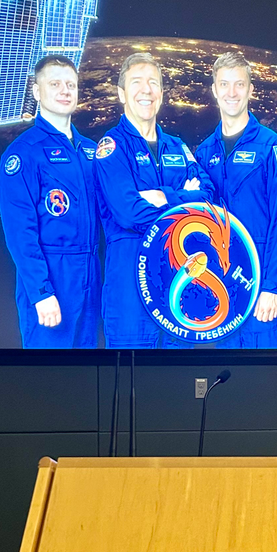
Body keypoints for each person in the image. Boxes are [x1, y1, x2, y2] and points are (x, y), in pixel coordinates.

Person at [93, 51, 211, 348]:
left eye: (153, 83)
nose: (146, 90)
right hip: (130, 290)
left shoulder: (177, 146)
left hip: (178, 281)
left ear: (161, 93)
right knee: (132, 385)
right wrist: (186, 204)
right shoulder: (111, 148)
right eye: (136, 82)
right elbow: (129, 213)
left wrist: (164, 196)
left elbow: (208, 198)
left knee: (179, 386)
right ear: (121, 93)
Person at [195, 51, 277, 347]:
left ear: (250, 90)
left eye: (239, 84)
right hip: (219, 284)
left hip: (259, 284)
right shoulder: (204, 153)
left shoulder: (272, 148)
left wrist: (272, 287)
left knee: (261, 380)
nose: (231, 93)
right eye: (224, 84)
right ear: (214, 90)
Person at [0, 55, 101, 348]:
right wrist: (41, 292)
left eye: (71, 84)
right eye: (54, 84)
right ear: (36, 91)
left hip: (90, 273)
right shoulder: (24, 154)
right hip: (54, 275)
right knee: (49, 379)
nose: (65, 91)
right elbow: (20, 232)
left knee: (87, 375)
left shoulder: (91, 151)